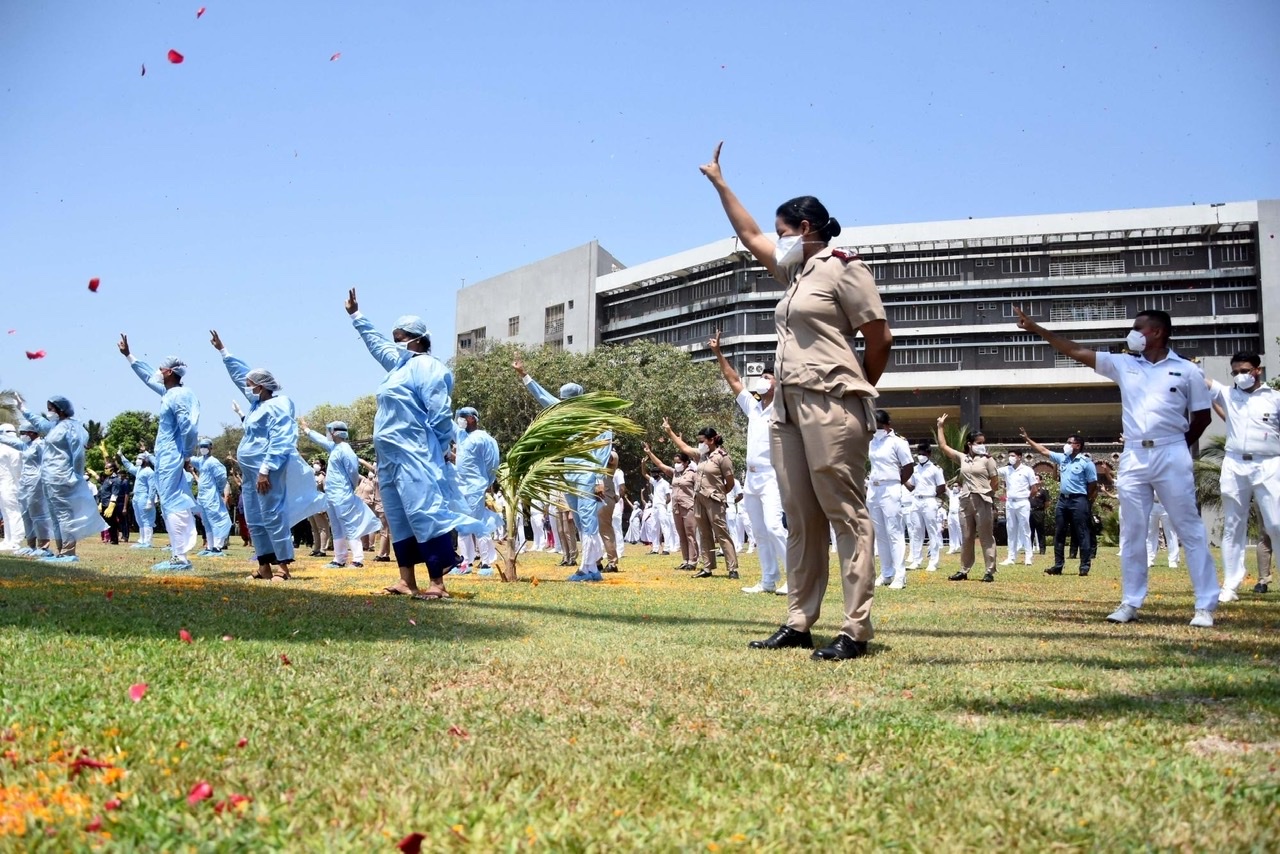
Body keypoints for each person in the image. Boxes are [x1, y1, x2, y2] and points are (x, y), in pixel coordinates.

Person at [702, 143, 892, 660]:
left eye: (783, 232)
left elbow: (879, 339)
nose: (776, 240)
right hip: (784, 409)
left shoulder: (844, 269)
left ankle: (855, 628)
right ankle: (799, 620)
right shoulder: (795, 274)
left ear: (805, 229)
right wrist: (719, 182)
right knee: (800, 517)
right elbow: (748, 235)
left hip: (832, 403)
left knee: (846, 513)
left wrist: (854, 389)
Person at [1016, 306, 1219, 626]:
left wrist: (1178, 444)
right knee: (1133, 530)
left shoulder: (1187, 371)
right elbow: (1075, 350)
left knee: (1189, 527)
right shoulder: (1124, 364)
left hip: (1171, 452)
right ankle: (1130, 602)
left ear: (1158, 332)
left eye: (1139, 327)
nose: (1133, 332)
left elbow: (1202, 416)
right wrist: (1037, 329)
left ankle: (1205, 606)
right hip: (1135, 455)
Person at [346, 291, 474, 598]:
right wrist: (356, 317)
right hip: (389, 457)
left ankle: (437, 584)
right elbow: (377, 345)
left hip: (416, 453)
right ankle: (406, 580)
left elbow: (440, 414)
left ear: (416, 339)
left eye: (400, 337)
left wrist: (441, 448)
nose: (395, 342)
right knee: (398, 518)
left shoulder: (428, 367)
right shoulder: (398, 367)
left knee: (423, 512)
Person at [211, 330, 325, 582]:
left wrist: (266, 468)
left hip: (267, 470)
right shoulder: (255, 406)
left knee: (272, 515)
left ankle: (283, 568)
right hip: (250, 474)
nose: (247, 387)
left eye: (250, 385)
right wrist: (223, 351)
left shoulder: (280, 404)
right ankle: (264, 566)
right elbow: (241, 374)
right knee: (254, 517)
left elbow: (282, 438)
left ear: (261, 386)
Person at [513, 358, 613, 582]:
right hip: (570, 475)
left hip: (588, 475)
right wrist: (524, 375)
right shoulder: (564, 414)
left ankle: (587, 568)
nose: (563, 404)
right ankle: (593, 567)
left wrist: (598, 478)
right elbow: (543, 397)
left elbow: (604, 449)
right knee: (579, 521)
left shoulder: (596, 418)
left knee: (588, 520)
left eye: (567, 400)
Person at [708, 330, 789, 595]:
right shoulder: (754, 407)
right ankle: (768, 579)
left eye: (768, 377)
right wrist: (719, 353)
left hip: (773, 476)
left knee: (775, 527)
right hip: (751, 477)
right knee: (759, 530)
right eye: (762, 377)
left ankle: (796, 579)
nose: (763, 381)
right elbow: (732, 379)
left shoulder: (784, 408)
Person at [118, 337, 200, 571]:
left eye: (161, 367)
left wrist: (185, 455)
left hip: (172, 457)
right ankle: (178, 553)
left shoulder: (181, 396)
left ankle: (180, 557)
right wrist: (129, 356)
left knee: (172, 503)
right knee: (170, 503)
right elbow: (147, 377)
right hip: (167, 456)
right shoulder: (169, 393)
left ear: (170, 372)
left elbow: (189, 427)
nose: (157, 371)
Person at [1207, 352, 1280, 602]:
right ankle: (1230, 584)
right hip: (1235, 463)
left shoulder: (1275, 398)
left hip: (1269, 463)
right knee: (1233, 526)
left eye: (1245, 370)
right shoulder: (1229, 394)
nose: (1240, 376)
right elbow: (1203, 382)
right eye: (1236, 372)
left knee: (1276, 524)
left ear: (1257, 370)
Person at [17, 395, 107, 561]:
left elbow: (78, 453)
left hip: (63, 477)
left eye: (51, 409)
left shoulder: (72, 427)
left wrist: (76, 475)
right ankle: (60, 551)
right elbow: (38, 422)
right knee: (55, 516)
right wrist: (23, 408)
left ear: (60, 409)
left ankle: (68, 552)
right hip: (49, 478)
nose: (48, 412)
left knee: (64, 515)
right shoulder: (54, 426)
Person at [302, 419, 383, 569]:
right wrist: (307, 431)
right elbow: (320, 439)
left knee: (349, 524)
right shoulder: (334, 447)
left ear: (336, 432)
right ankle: (339, 559)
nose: (328, 433)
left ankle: (357, 559)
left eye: (330, 430)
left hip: (342, 494)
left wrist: (349, 488)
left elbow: (353, 472)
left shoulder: (345, 450)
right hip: (331, 494)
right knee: (336, 526)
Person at [664, 421, 739, 580]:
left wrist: (718, 495)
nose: (699, 444)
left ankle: (732, 568)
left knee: (721, 533)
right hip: (698, 500)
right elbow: (684, 448)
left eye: (701, 441)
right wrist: (669, 431)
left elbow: (730, 482)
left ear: (711, 440)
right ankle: (707, 567)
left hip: (714, 500)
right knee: (704, 534)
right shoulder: (701, 457)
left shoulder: (722, 457)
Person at [1019, 430, 1098, 577]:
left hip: (1079, 500)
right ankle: (1058, 565)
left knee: (1082, 533)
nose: (1066, 445)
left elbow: (1093, 484)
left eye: (1069, 442)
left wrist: (1085, 499)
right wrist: (1028, 439)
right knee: (1059, 533)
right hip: (1063, 501)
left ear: (1078, 445)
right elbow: (1043, 450)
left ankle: (1084, 565)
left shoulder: (1086, 463)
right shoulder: (1063, 458)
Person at [936, 416, 999, 582]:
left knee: (986, 536)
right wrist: (940, 426)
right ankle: (964, 569)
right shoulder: (963, 458)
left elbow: (995, 481)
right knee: (966, 536)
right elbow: (943, 447)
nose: (981, 445)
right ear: (970, 444)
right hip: (965, 499)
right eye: (978, 442)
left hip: (982, 499)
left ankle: (989, 571)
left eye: (983, 442)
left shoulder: (987, 459)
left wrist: (988, 494)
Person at [448, 406, 501, 574]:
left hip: (476, 487)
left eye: (462, 417)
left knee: (478, 524)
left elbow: (492, 462)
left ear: (472, 418)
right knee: (462, 525)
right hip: (461, 487)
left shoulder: (483, 438)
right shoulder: (460, 435)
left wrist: (487, 482)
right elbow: (445, 422)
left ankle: (486, 563)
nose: (460, 420)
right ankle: (466, 562)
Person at [867, 410, 913, 589]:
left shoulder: (898, 442)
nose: (875, 429)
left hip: (891, 486)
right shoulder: (871, 442)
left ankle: (900, 575)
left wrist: (896, 483)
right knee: (880, 533)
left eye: (878, 426)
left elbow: (909, 466)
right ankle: (887, 572)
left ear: (887, 425)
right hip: (873, 488)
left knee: (894, 532)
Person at [0, 422, 53, 556]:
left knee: (38, 515)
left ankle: (44, 546)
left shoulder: (41, 445)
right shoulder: (25, 445)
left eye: (23, 433)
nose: (21, 436)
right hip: (25, 483)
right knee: (26, 514)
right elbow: (9, 441)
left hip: (37, 482)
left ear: (32, 432)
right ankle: (31, 545)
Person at [188, 438, 232, 557]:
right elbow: (189, 459)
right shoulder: (201, 461)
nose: (203, 448)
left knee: (217, 519)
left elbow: (222, 478)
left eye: (205, 446)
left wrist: (217, 490)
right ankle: (210, 546)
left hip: (211, 496)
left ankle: (218, 546)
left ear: (211, 448)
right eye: (201, 446)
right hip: (202, 497)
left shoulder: (213, 462)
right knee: (206, 521)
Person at [907, 441, 946, 572]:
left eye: (923, 453)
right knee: (916, 531)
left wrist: (932, 494)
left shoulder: (935, 469)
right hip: (916, 500)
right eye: (919, 453)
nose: (920, 456)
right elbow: (911, 486)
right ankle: (916, 560)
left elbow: (942, 486)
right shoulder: (915, 469)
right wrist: (902, 478)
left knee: (932, 531)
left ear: (929, 454)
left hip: (929, 500)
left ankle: (933, 561)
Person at [1000, 450, 1039, 566]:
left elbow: (1034, 488)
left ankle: (1028, 556)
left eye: (1013, 455)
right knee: (1011, 529)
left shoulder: (1027, 470)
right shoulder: (1007, 469)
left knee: (1025, 529)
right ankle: (1011, 557)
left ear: (1019, 457)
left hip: (1022, 502)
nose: (1010, 458)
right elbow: (992, 471)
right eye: (1009, 456)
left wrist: (1025, 496)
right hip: (1010, 502)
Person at [118, 450, 160, 548]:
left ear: (146, 460)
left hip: (144, 497)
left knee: (147, 519)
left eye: (140, 459)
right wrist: (122, 456)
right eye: (137, 458)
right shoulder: (139, 470)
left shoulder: (150, 472)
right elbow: (129, 466)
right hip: (136, 497)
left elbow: (152, 487)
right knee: (139, 519)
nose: (137, 460)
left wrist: (151, 500)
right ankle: (142, 540)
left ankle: (148, 541)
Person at [0, 424, 24, 551]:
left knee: (14, 513)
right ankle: (8, 539)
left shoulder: (14, 446)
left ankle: (15, 540)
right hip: (3, 484)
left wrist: (19, 484)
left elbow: (17, 468)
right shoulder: (2, 447)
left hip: (12, 484)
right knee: (6, 512)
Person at [97, 459, 131, 545]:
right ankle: (111, 538)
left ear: (112, 469)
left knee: (112, 522)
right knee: (108, 522)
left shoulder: (116, 480)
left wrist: (111, 505)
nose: (105, 469)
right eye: (105, 468)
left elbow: (115, 493)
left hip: (110, 504)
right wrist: (101, 502)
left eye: (107, 468)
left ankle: (114, 539)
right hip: (104, 503)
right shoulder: (107, 479)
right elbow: (103, 491)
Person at [1146, 497, 1181, 569]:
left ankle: (1173, 560)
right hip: (1152, 504)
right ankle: (1149, 559)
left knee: (1171, 533)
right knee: (1150, 533)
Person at [307, 461, 332, 557]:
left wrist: (324, 506)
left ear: (322, 466)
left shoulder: (324, 477)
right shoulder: (312, 475)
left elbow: (327, 492)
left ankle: (323, 549)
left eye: (317, 463)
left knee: (323, 527)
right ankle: (316, 548)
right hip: (311, 504)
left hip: (319, 504)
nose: (315, 464)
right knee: (314, 528)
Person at [1028, 477, 1048, 555]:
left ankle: (1042, 549)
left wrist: (1041, 509)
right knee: (1030, 532)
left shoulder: (1043, 491)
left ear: (1040, 481)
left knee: (1040, 531)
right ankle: (1029, 549)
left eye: (1037, 479)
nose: (1035, 480)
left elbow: (1047, 503)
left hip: (1039, 512)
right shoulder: (1029, 490)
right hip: (1030, 511)